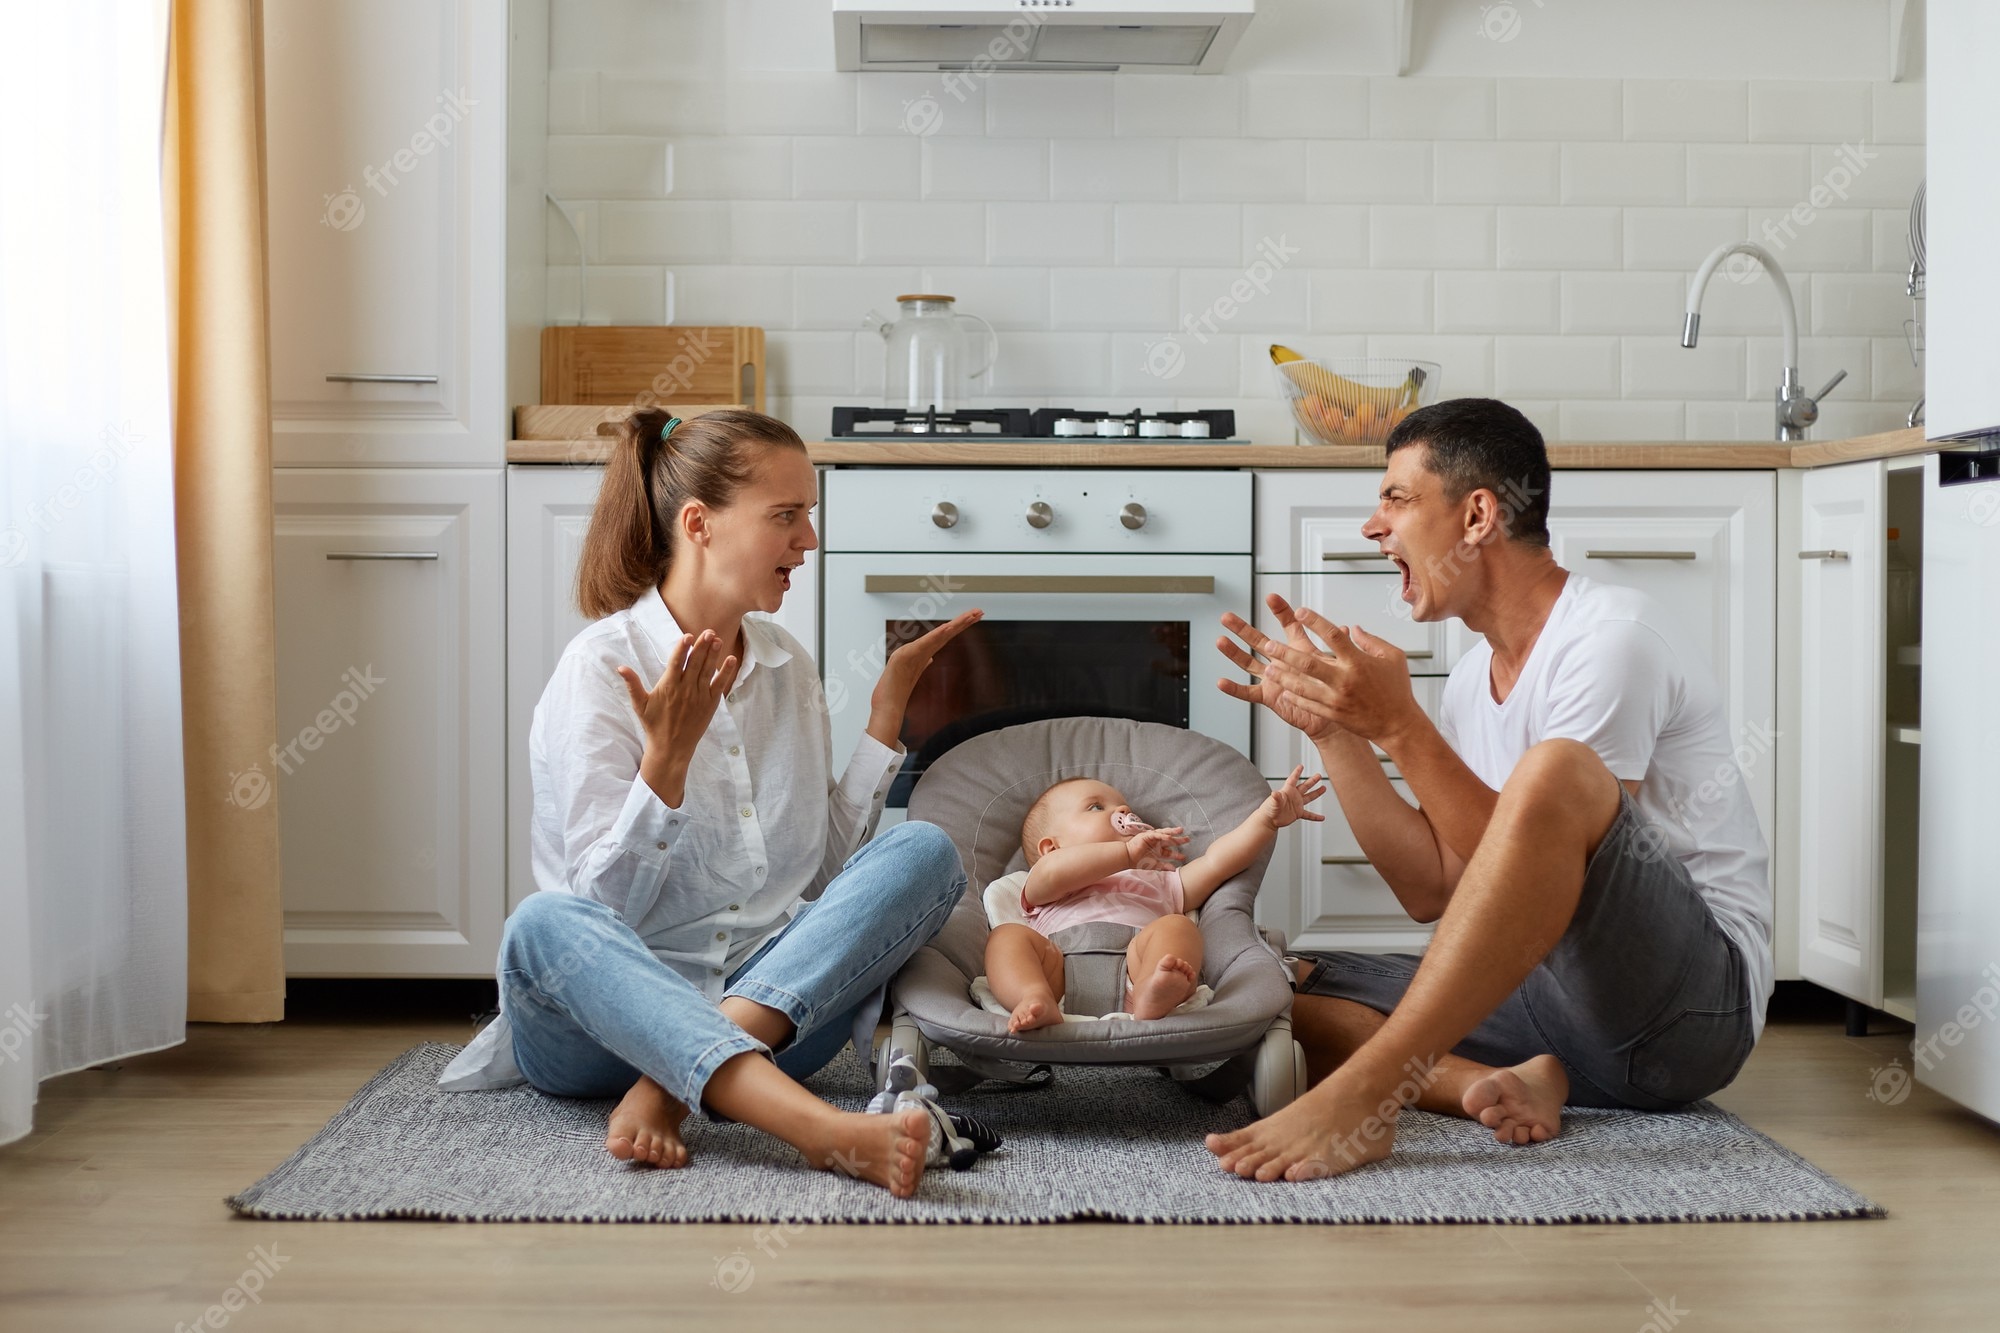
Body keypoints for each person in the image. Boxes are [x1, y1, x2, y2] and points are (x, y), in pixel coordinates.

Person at [1205, 397, 1771, 1181]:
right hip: (1559, 1010)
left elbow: (1569, 895)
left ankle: (1371, 1094)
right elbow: (1434, 886)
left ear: (1476, 516)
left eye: (1396, 498)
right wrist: (1338, 732)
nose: (1373, 526)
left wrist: (1402, 725)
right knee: (1267, 990)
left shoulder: (1611, 637)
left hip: (1685, 1018)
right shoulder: (1473, 678)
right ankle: (1497, 1083)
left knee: (1556, 769)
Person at [438, 407, 982, 1198]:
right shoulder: (600, 669)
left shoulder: (787, 667)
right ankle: (821, 1132)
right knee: (541, 926)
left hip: (768, 1011)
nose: (809, 541)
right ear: (699, 523)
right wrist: (666, 765)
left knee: (925, 850)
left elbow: (822, 879)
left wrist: (884, 718)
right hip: (598, 1031)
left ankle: (669, 1085)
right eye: (786, 516)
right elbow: (599, 912)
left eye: (810, 516)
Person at [985, 768, 1325, 1031]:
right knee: (1007, 937)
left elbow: (1218, 862)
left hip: (1138, 965)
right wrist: (1125, 853)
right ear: (1052, 847)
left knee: (1177, 926)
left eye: (1124, 807)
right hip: (1057, 972)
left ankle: (1152, 993)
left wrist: (1265, 822)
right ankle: (1032, 997)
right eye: (1095, 807)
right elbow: (1054, 872)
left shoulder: (1158, 882)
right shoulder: (1045, 882)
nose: (1120, 810)